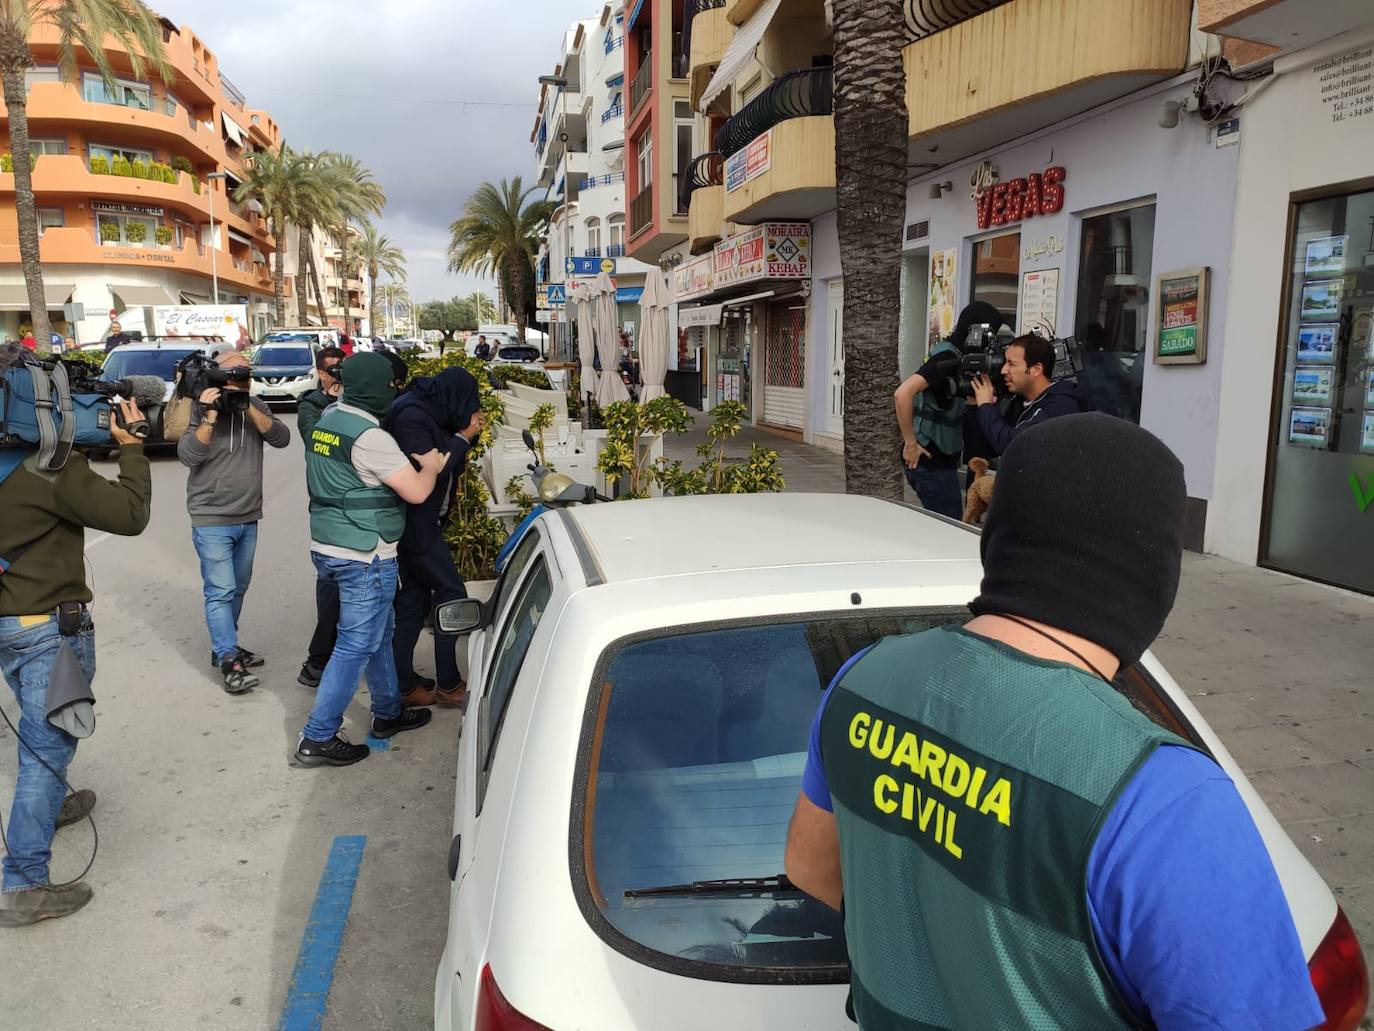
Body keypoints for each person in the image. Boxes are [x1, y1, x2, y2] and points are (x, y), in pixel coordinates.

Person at [784, 414, 1323, 1030]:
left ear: (998, 537)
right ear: (1155, 571)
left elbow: (811, 868)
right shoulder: (1164, 797)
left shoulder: (861, 681)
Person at [0, 372, 151, 925]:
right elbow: (130, 516)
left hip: (7, 628)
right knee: (45, 748)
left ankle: (46, 808)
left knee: (39, 733)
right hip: (48, 631)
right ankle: (22, 884)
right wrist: (132, 448)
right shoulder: (50, 469)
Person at [296, 351, 445, 767]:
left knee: (379, 634)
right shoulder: (370, 437)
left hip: (329, 547)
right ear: (375, 387)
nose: (393, 394)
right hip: (365, 553)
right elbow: (416, 490)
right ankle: (318, 736)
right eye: (389, 386)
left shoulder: (328, 420)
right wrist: (431, 465)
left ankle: (387, 711)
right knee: (355, 644)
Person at [177, 347, 291, 693]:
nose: (241, 377)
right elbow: (187, 455)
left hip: (248, 514)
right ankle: (229, 659)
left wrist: (249, 407)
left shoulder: (255, 406)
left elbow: (282, 438)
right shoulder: (199, 406)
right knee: (221, 590)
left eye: (246, 372)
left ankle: (224, 645)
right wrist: (211, 416)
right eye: (234, 372)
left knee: (237, 587)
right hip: (211, 516)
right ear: (217, 374)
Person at [387, 367, 485, 707]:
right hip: (414, 524)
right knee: (452, 595)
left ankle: (402, 684)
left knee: (413, 602)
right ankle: (448, 682)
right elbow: (436, 464)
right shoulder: (411, 415)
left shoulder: (433, 409)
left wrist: (465, 435)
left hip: (424, 522)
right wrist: (464, 437)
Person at [893, 302, 1004, 520]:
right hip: (929, 461)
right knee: (950, 527)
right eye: (990, 334)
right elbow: (902, 394)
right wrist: (910, 443)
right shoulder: (946, 357)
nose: (992, 341)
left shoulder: (960, 356)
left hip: (941, 460)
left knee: (941, 528)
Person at [295, 346, 346, 688]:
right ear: (321, 373)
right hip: (327, 506)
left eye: (343, 369)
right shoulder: (311, 404)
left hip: (353, 505)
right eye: (332, 370)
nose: (338, 375)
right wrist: (334, 403)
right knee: (330, 587)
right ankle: (317, 662)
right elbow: (318, 441)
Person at [969, 332, 1082, 455]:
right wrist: (976, 407)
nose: (1003, 370)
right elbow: (986, 449)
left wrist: (986, 407)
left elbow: (1012, 446)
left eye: (1011, 364)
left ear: (1036, 370)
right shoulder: (1018, 402)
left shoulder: (1060, 405)